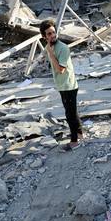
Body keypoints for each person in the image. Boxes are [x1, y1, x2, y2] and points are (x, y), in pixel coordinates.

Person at [40, 20, 82, 151]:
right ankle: (79, 133)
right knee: (72, 111)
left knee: (70, 114)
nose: (53, 35)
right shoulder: (51, 47)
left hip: (68, 85)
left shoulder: (63, 48)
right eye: (49, 33)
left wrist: (51, 54)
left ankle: (74, 141)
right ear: (44, 37)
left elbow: (61, 69)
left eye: (53, 32)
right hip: (62, 84)